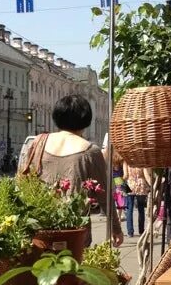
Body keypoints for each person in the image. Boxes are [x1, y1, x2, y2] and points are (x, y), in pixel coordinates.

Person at [21, 93, 123, 246]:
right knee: (73, 268)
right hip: (74, 228)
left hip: (39, 225)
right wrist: (115, 228)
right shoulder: (90, 151)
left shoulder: (38, 142)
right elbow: (104, 193)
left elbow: (25, 181)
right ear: (86, 119)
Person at [122, 161, 149, 237]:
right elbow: (146, 175)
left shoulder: (126, 162)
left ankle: (130, 232)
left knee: (129, 209)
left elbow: (125, 175)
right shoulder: (141, 160)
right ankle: (141, 230)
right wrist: (151, 184)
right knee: (141, 209)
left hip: (129, 185)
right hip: (141, 185)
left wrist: (119, 181)